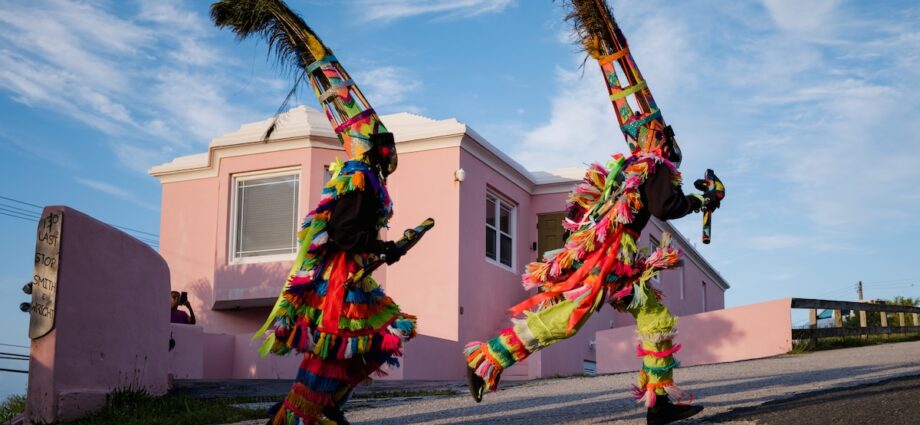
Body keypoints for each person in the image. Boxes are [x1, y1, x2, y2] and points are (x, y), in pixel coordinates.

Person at [463, 2, 722, 424]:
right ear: (659, 137)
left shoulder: (633, 166)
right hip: (611, 258)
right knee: (571, 318)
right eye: (667, 136)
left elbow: (649, 204)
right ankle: (488, 358)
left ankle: (659, 403)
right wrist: (699, 202)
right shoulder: (653, 165)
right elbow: (666, 206)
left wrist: (696, 200)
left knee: (654, 316)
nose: (672, 143)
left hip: (616, 257)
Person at [212, 2, 423, 423]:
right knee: (332, 353)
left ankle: (326, 407)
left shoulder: (367, 179)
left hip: (351, 276)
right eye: (388, 144)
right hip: (339, 284)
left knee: (375, 343)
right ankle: (295, 416)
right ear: (376, 149)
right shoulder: (360, 178)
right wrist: (383, 249)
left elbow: (353, 235)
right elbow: (344, 234)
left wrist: (389, 249)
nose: (393, 151)